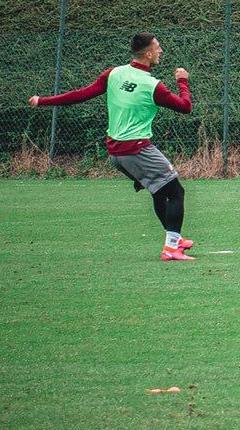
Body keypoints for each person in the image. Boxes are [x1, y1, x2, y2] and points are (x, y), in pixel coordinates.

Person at [28, 32, 197, 261]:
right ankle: (171, 248)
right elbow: (186, 107)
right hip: (137, 150)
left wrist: (43, 101)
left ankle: (174, 239)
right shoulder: (152, 85)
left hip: (117, 154)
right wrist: (182, 81)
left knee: (159, 191)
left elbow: (81, 95)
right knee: (176, 192)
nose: (161, 51)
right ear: (148, 54)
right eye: (158, 47)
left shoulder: (114, 74)